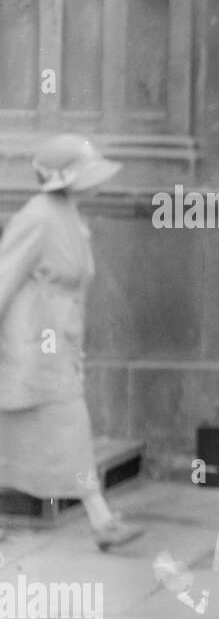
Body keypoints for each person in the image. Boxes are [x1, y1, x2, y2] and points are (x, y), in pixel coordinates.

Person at [0, 135, 143, 552]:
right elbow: (4, 276)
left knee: (42, 433)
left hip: (55, 341)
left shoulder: (67, 215)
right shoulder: (39, 217)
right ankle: (101, 520)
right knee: (68, 427)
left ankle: (102, 520)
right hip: (32, 344)